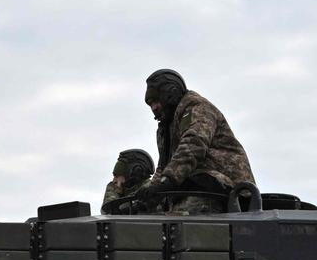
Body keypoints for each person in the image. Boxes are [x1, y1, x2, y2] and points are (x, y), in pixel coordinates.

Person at [142, 69, 255, 215]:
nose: (154, 107)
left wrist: (167, 181)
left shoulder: (197, 107)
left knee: (183, 219)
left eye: (156, 100)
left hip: (225, 186)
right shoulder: (166, 128)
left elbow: (193, 145)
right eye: (150, 104)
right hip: (194, 186)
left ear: (171, 92)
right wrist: (152, 193)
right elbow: (163, 166)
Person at [101, 148, 156, 214]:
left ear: (136, 172)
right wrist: (114, 191)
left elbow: (119, 210)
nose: (114, 180)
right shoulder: (120, 189)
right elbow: (106, 212)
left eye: (117, 176)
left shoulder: (149, 188)